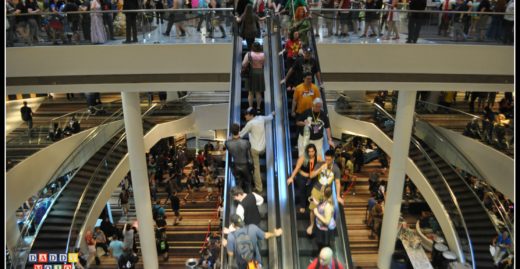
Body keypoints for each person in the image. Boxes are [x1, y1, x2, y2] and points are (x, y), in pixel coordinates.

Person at [306, 149, 343, 235]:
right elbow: (311, 176)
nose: (327, 161)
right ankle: (312, 225)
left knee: (328, 210)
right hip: (317, 189)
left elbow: (337, 182)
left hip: (327, 193)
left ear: (333, 158)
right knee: (312, 208)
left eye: (329, 159)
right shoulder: (320, 164)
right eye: (326, 159)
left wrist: (337, 196)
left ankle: (325, 225)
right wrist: (320, 169)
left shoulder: (336, 169)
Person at [239, 107, 275, 193]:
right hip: (263, 148)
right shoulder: (261, 118)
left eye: (246, 115)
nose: (245, 116)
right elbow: (270, 117)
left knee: (256, 169)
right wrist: (273, 114)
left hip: (254, 150)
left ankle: (259, 188)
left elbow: (240, 135)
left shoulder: (250, 124)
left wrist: (230, 138)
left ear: (251, 115)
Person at [288, 143, 323, 213]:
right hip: (303, 176)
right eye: (309, 151)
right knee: (302, 190)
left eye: (312, 151)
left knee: (311, 191)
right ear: (307, 152)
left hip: (313, 177)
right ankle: (302, 205)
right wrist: (291, 177)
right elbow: (297, 168)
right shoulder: (303, 158)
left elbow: (321, 167)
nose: (311, 153)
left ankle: (310, 203)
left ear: (315, 151)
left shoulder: (318, 157)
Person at [292, 73, 321, 154]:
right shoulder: (298, 88)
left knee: (312, 127)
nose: (309, 80)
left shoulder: (315, 88)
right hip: (301, 112)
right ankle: (298, 144)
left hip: (311, 113)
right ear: (303, 79)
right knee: (300, 128)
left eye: (311, 79)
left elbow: (318, 100)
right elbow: (294, 100)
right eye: (308, 78)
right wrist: (292, 110)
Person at [225, 123, 254, 193]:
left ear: (231, 131)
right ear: (239, 130)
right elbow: (250, 159)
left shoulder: (227, 143)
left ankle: (240, 201)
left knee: (238, 184)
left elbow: (229, 156)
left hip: (235, 166)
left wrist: (231, 167)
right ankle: (250, 199)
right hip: (245, 165)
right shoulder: (246, 142)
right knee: (248, 183)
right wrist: (252, 168)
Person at [242, 42, 266, 112]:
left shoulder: (249, 54)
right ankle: (258, 108)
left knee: (251, 92)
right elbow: (264, 63)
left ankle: (250, 107)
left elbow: (244, 64)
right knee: (258, 92)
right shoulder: (263, 54)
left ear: (252, 47)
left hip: (251, 73)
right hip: (260, 72)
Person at [312, 186, 336, 250]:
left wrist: (316, 213)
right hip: (321, 227)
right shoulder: (325, 200)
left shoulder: (328, 206)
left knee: (323, 248)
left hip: (325, 231)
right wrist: (317, 203)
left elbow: (327, 221)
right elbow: (322, 207)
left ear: (324, 193)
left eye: (321, 190)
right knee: (320, 245)